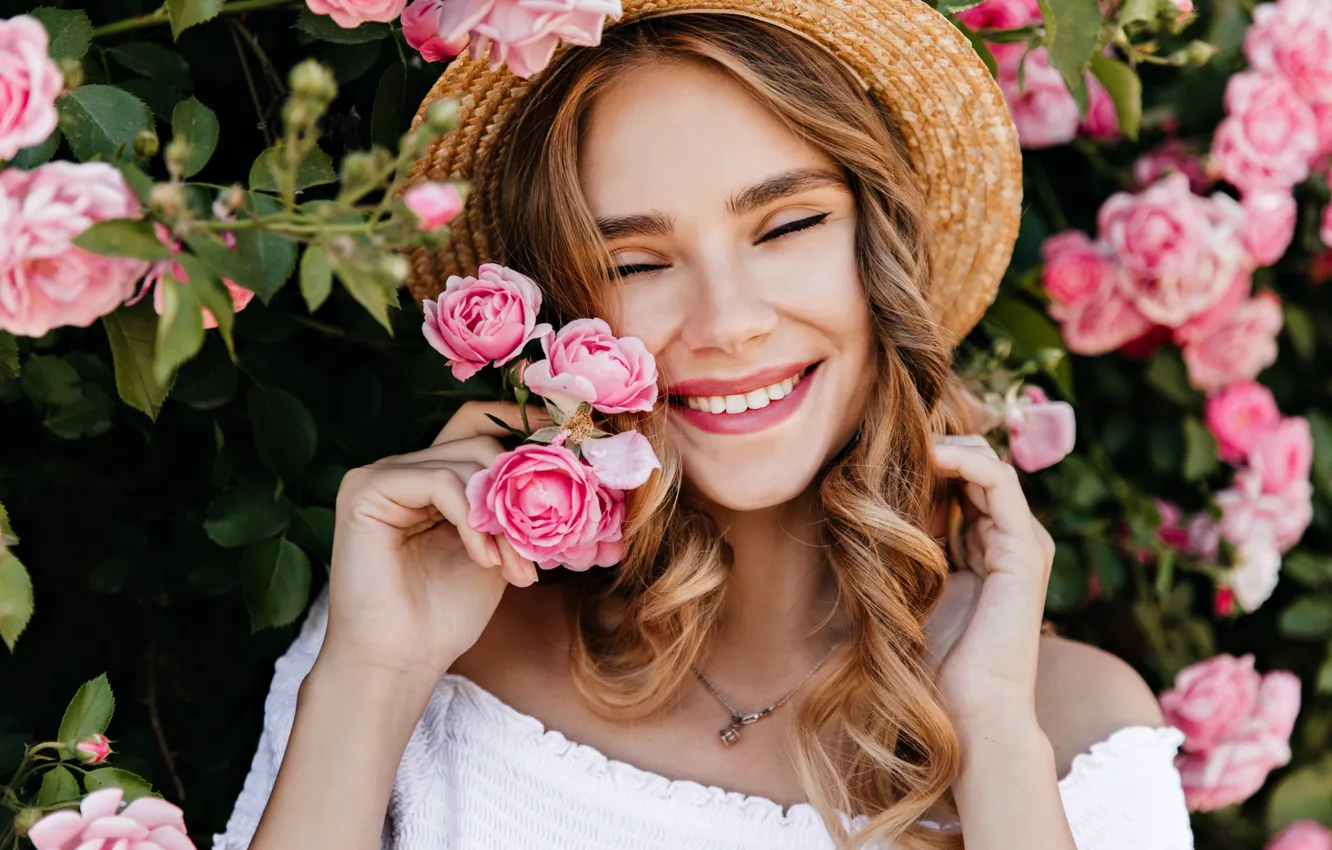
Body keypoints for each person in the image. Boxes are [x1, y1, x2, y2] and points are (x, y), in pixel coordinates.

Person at [214, 2, 1195, 848]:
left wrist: (991, 736)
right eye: (637, 263)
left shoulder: (1074, 729)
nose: (729, 323)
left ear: (878, 251)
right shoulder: (417, 648)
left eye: (786, 227)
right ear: (558, 319)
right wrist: (372, 676)